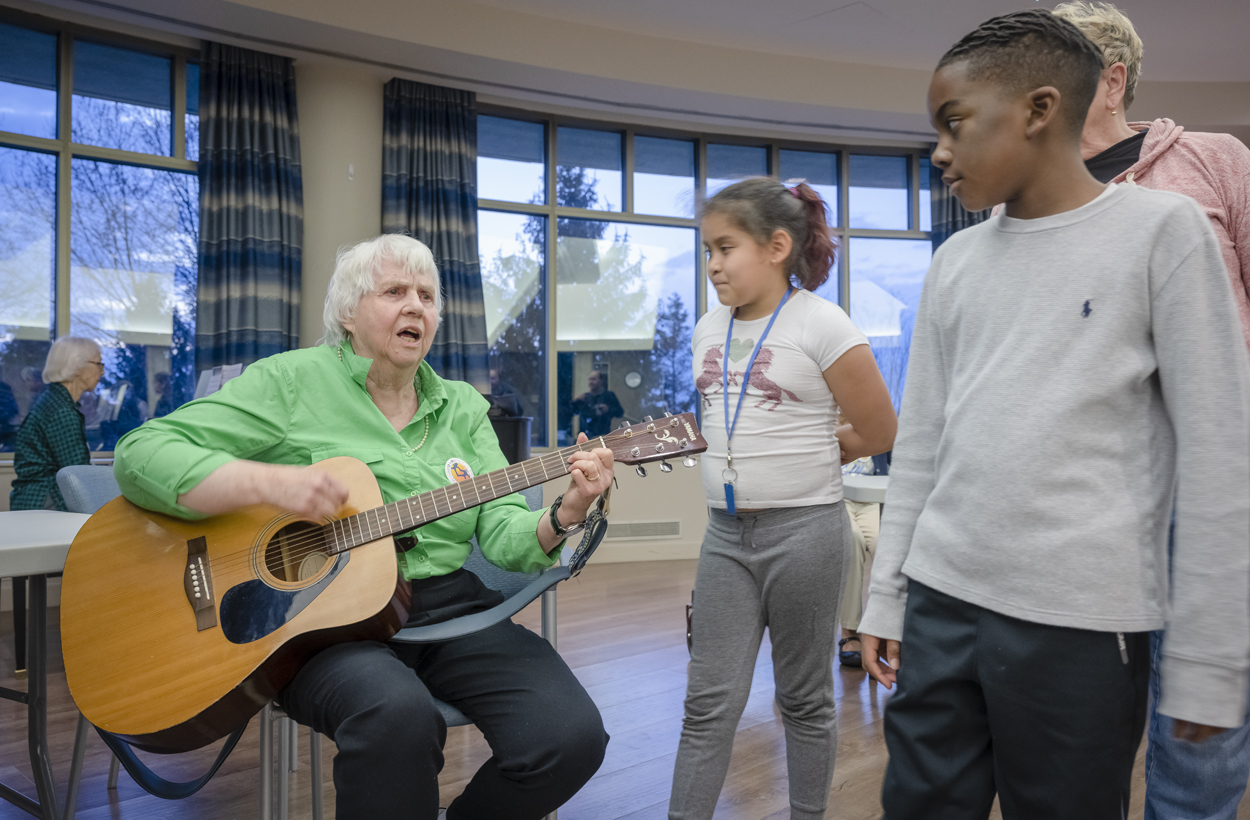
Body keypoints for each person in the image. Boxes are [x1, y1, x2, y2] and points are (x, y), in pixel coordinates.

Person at [857, 10, 1250, 819]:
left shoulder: (1163, 232)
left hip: (1080, 623)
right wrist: (888, 596)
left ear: (1039, 111)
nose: (938, 151)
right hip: (940, 602)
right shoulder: (955, 262)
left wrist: (1211, 660)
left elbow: (1218, 454)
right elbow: (922, 444)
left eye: (955, 124)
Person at [112, 234, 611, 820]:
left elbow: (502, 534)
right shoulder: (291, 382)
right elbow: (142, 452)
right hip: (317, 623)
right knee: (397, 717)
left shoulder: (464, 408)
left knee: (570, 737)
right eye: (395, 291)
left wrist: (566, 513)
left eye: (427, 295)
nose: (416, 306)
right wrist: (267, 484)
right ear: (348, 314)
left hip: (449, 611)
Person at [1050, 4, 1250, 818]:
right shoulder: (1023, 199)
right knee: (1073, 723)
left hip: (1207, 486)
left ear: (1111, 79)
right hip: (1086, 495)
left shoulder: (1213, 160)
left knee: (1200, 721)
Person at [670, 178, 897, 820]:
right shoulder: (706, 330)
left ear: (776, 246)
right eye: (706, 250)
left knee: (803, 700)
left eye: (724, 247)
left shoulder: (823, 325)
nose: (712, 263)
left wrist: (829, 452)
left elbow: (879, 430)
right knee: (707, 703)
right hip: (725, 540)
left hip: (806, 536)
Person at [9, 337, 101, 511]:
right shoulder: (61, 410)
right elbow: (79, 474)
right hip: (44, 503)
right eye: (98, 364)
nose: (102, 372)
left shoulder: (54, 401)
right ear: (77, 366)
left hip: (33, 500)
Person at [836, 455, 880, 668]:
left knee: (884, 545)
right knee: (852, 539)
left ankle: (886, 631)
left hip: (872, 494)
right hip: (836, 495)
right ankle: (850, 630)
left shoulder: (877, 422)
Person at [569, 370, 622, 437]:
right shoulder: (585, 397)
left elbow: (620, 413)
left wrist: (608, 409)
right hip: (585, 437)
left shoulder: (609, 396)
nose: (591, 382)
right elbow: (572, 413)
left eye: (594, 379)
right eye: (589, 379)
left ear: (601, 380)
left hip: (603, 436)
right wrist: (575, 401)